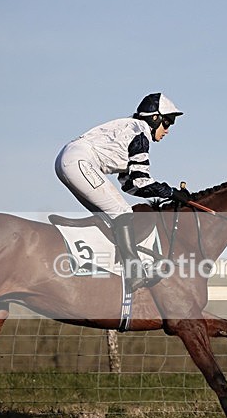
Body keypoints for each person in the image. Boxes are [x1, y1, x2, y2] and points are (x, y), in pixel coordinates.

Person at [55, 93, 189, 292]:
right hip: (79, 161)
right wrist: (171, 193)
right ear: (155, 118)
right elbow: (141, 181)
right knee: (122, 212)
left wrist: (168, 193)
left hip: (69, 160)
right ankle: (134, 273)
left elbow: (131, 185)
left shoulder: (131, 129)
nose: (168, 130)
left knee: (110, 217)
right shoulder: (141, 133)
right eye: (167, 123)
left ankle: (103, 265)